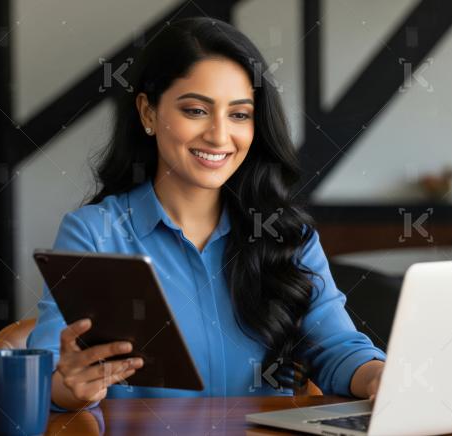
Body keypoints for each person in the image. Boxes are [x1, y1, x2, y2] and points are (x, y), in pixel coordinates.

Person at [27, 17, 385, 412]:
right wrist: (68, 386)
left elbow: (336, 348)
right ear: (148, 113)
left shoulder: (287, 235)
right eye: (196, 110)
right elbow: (50, 370)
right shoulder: (94, 235)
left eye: (239, 114)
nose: (218, 136)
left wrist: (377, 376)